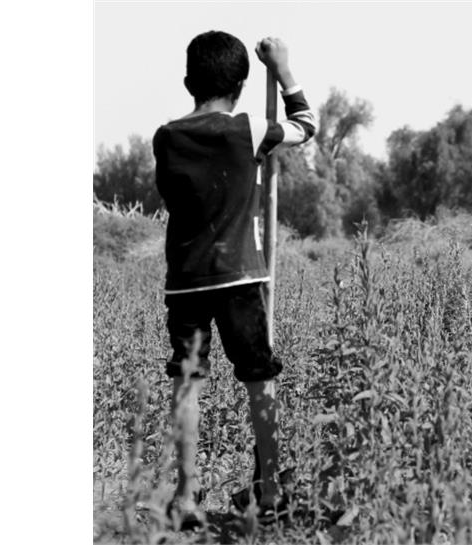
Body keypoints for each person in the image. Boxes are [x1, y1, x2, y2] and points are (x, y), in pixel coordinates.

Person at [152, 30, 316, 529]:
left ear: (188, 83)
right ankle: (270, 491)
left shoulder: (166, 137)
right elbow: (306, 125)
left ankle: (185, 496)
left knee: (187, 381)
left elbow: (173, 196)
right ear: (242, 86)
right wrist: (282, 68)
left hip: (186, 279)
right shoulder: (250, 130)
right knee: (260, 377)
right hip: (241, 276)